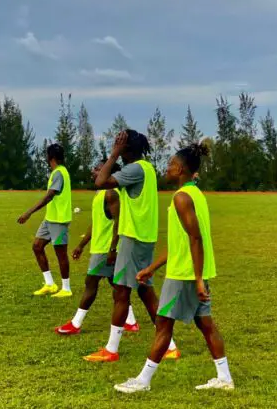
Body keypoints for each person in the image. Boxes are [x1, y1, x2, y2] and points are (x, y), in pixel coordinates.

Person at [114, 143, 234, 394]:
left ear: (180, 169)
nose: (167, 168)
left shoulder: (181, 198)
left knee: (163, 324)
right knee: (206, 324)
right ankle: (224, 377)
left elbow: (196, 238)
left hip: (185, 274)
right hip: (193, 271)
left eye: (170, 164)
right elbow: (181, 241)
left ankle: (143, 380)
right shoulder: (195, 194)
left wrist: (197, 279)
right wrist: (152, 268)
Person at [83, 129, 179, 362]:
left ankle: (111, 349)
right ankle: (170, 346)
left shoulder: (135, 169)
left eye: (120, 145)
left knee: (121, 292)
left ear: (127, 149)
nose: (116, 148)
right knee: (145, 291)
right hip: (144, 237)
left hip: (133, 238)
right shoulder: (147, 168)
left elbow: (100, 182)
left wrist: (113, 154)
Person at [54, 162, 138, 335]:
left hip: (106, 249)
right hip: (101, 247)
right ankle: (131, 321)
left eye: (98, 169)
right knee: (117, 285)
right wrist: (81, 245)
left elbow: (118, 223)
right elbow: (96, 223)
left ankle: (76, 323)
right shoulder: (101, 194)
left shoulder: (111, 193)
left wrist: (112, 249)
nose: (94, 171)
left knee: (90, 283)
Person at [18, 143, 73, 298]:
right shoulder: (58, 172)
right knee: (37, 246)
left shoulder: (59, 173)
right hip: (50, 219)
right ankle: (49, 284)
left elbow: (49, 196)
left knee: (61, 254)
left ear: (50, 157)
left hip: (59, 220)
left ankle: (66, 288)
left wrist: (29, 212)